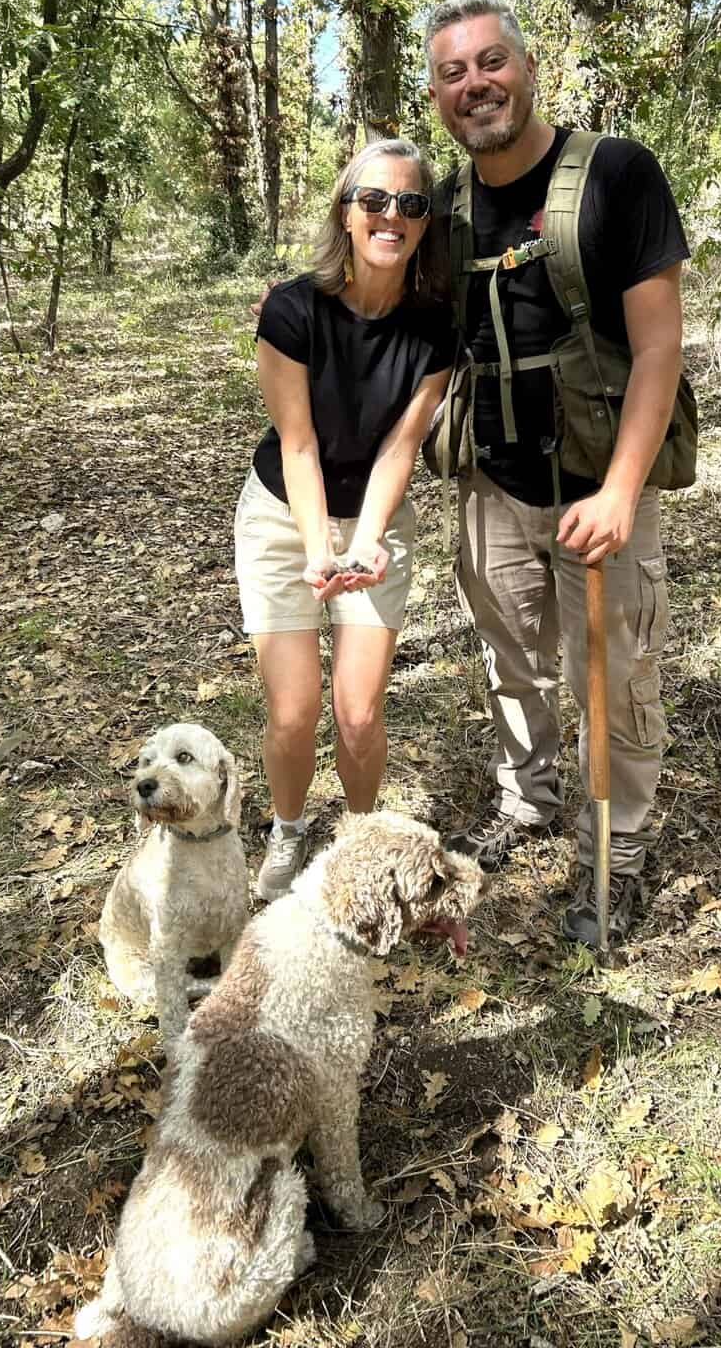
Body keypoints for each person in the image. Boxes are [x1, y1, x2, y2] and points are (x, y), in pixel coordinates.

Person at [424, 0, 689, 948]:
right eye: (452, 73)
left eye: (490, 62)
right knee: (508, 662)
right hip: (492, 484)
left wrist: (622, 490)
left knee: (612, 670)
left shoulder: (618, 173)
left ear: (529, 69)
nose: (475, 85)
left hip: (598, 482)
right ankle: (527, 800)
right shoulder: (442, 207)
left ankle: (615, 843)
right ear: (435, 93)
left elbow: (659, 350)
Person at [235, 139, 452, 902]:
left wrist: (363, 542)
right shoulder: (293, 309)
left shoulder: (434, 327)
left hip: (376, 519)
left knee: (357, 714)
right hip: (282, 516)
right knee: (293, 713)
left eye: (410, 203)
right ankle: (290, 829)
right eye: (375, 200)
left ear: (426, 223)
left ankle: (360, 842)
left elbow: (402, 445)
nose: (391, 215)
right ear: (347, 212)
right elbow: (297, 443)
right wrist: (319, 542)